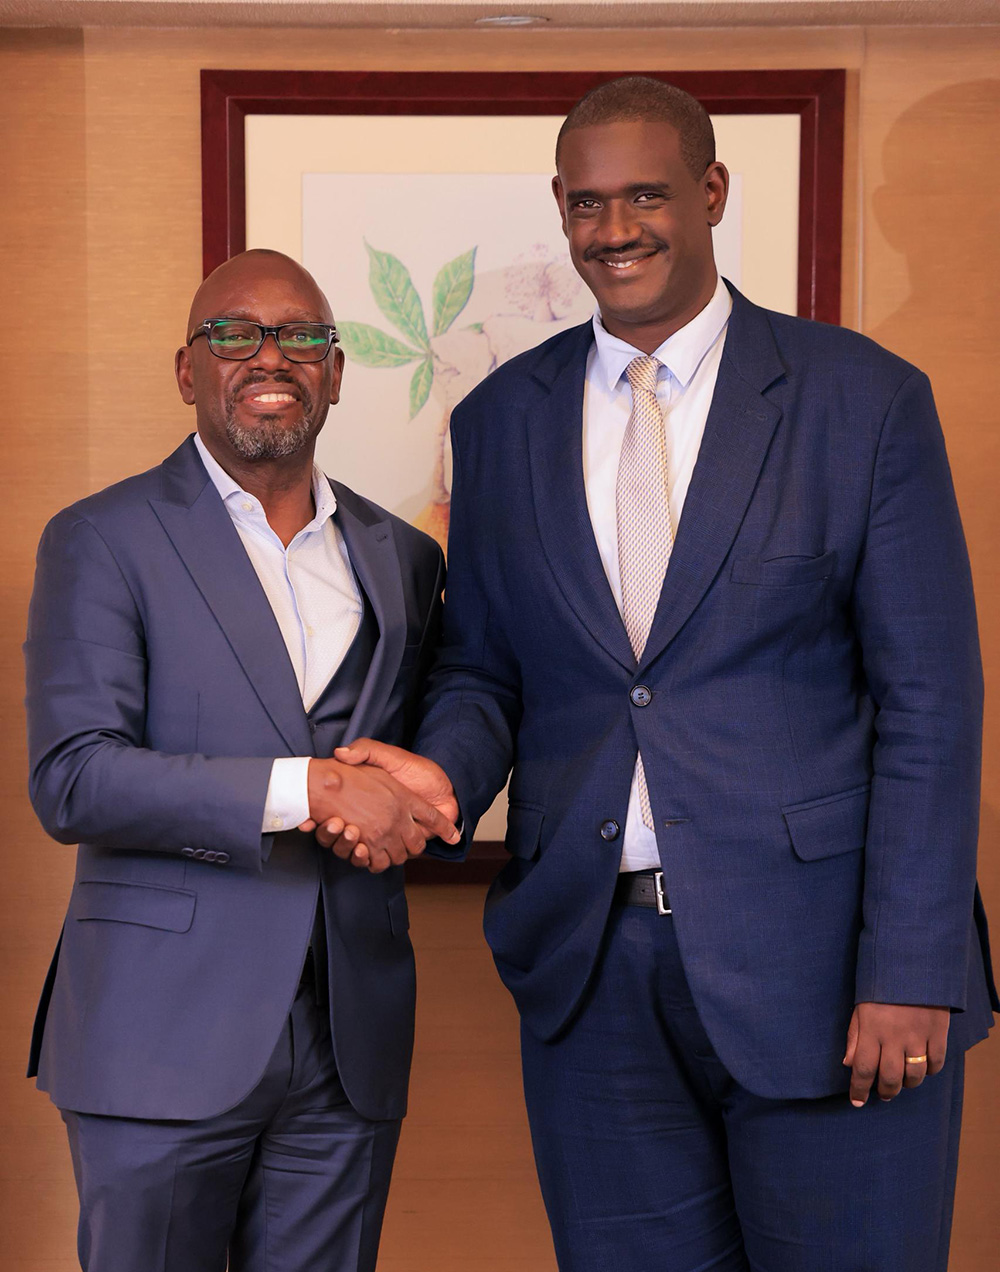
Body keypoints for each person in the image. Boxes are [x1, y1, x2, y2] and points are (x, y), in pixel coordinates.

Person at [322, 78, 998, 1270]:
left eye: (646, 194)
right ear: (560, 212)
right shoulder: (498, 424)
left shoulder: (861, 400)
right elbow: (485, 670)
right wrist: (432, 774)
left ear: (712, 193)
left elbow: (930, 703)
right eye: (587, 203)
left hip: (829, 972)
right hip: (594, 984)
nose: (615, 228)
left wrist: (912, 968)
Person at [24, 248, 460, 1272]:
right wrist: (304, 787)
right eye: (235, 333)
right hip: (157, 1036)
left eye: (302, 336)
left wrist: (421, 789)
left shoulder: (404, 557)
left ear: (337, 371)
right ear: (189, 369)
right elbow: (73, 776)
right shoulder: (101, 538)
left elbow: (416, 748)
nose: (271, 356)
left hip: (349, 1039)